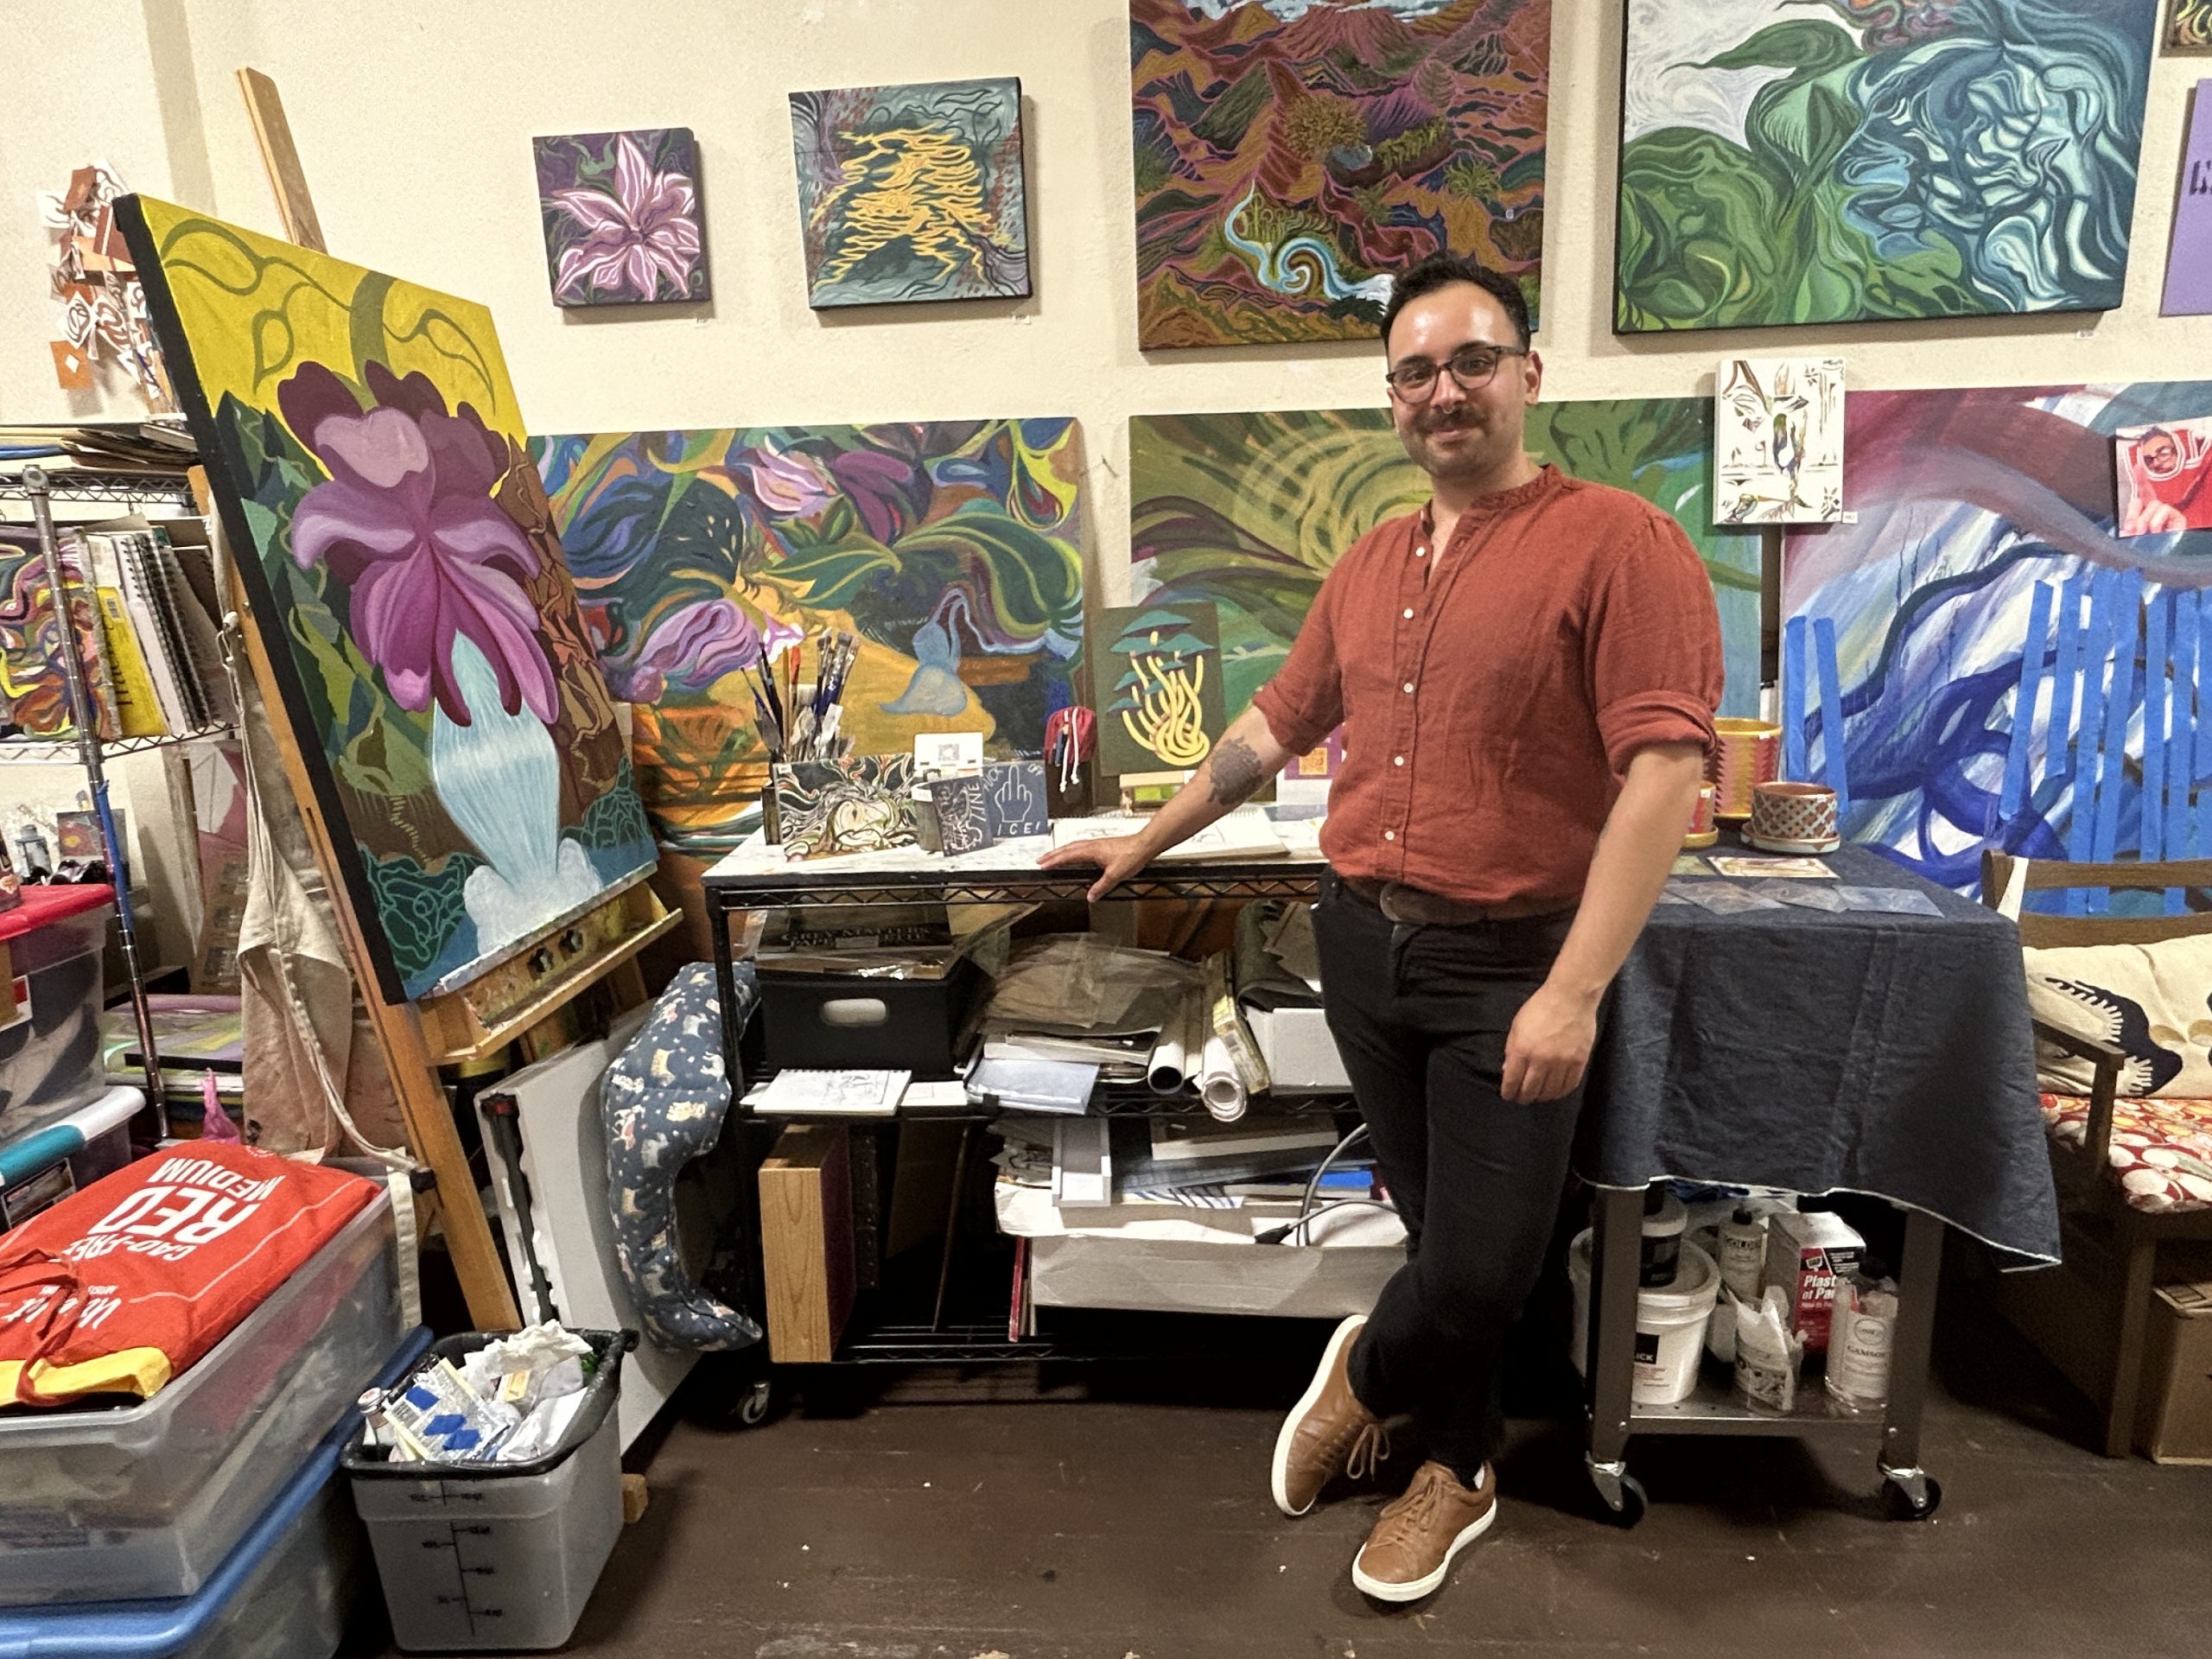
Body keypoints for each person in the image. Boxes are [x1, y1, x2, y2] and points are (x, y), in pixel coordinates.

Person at [1040, 252, 1720, 1604]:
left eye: (1473, 361)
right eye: (1415, 372)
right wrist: (1146, 837)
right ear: (1393, 399)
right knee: (1432, 1233)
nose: (1443, 391)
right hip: (1362, 943)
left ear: (1530, 374)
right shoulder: (1370, 562)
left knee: (1482, 1269)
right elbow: (1271, 728)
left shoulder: (1619, 542)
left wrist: (1576, 992)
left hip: (1511, 961)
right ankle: (1458, 1471)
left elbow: (1664, 772)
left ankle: (1365, 1375)